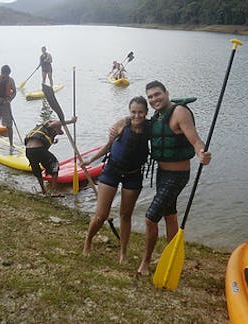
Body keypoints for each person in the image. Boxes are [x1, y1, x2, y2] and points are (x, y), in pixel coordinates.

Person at [137, 80, 212, 276]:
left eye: (157, 94)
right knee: (170, 216)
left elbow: (195, 140)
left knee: (150, 218)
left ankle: (145, 262)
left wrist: (202, 153)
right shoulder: (158, 115)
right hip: (162, 174)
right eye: (150, 97)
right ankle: (170, 256)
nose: (154, 99)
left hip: (177, 175)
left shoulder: (179, 112)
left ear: (166, 92)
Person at [82, 96, 150, 263]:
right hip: (112, 170)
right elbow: (108, 146)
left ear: (146, 113)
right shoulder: (123, 123)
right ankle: (87, 242)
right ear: (129, 112)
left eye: (141, 112)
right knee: (101, 215)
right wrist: (90, 160)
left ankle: (123, 253)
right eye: (133, 112)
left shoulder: (150, 127)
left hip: (134, 174)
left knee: (125, 215)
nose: (137, 116)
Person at [25, 117, 77, 196]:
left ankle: (43, 191)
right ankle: (54, 191)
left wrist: (53, 139)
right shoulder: (48, 124)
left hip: (29, 151)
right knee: (55, 165)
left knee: (37, 171)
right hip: (39, 150)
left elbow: (45, 141)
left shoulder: (42, 131)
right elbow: (56, 123)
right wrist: (71, 121)